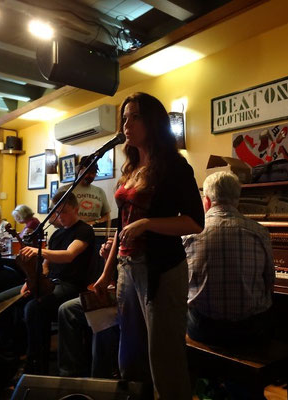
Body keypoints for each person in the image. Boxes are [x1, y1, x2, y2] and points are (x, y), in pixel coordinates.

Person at [93, 92, 204, 400]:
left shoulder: (174, 167)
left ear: (153, 122)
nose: (127, 124)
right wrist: (106, 274)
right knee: (129, 356)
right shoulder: (129, 169)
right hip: (128, 269)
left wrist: (149, 224)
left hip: (162, 270)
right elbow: (121, 227)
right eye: (124, 118)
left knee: (164, 359)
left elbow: (196, 222)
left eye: (135, 116)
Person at [0, 190, 95, 373]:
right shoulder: (57, 234)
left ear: (76, 209)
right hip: (50, 282)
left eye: (65, 212)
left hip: (70, 285)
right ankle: (13, 352)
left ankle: (36, 364)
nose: (60, 216)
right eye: (57, 212)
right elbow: (45, 265)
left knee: (33, 308)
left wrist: (39, 251)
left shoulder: (84, 230)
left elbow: (69, 255)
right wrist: (32, 281)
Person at [183, 171, 274, 346]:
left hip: (203, 328)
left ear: (207, 201)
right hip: (250, 330)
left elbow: (180, 283)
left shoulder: (188, 234)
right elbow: (269, 282)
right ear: (237, 200)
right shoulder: (260, 231)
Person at [57, 240, 119, 378]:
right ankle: (70, 374)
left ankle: (100, 379)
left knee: (100, 318)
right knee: (67, 309)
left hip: (125, 296)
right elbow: (110, 279)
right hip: (113, 293)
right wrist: (107, 258)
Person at [61, 156, 111, 226]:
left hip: (93, 233)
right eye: (88, 172)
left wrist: (94, 223)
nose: (90, 176)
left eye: (93, 173)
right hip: (70, 233)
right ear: (78, 170)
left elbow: (107, 216)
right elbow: (53, 217)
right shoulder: (65, 190)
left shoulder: (100, 191)